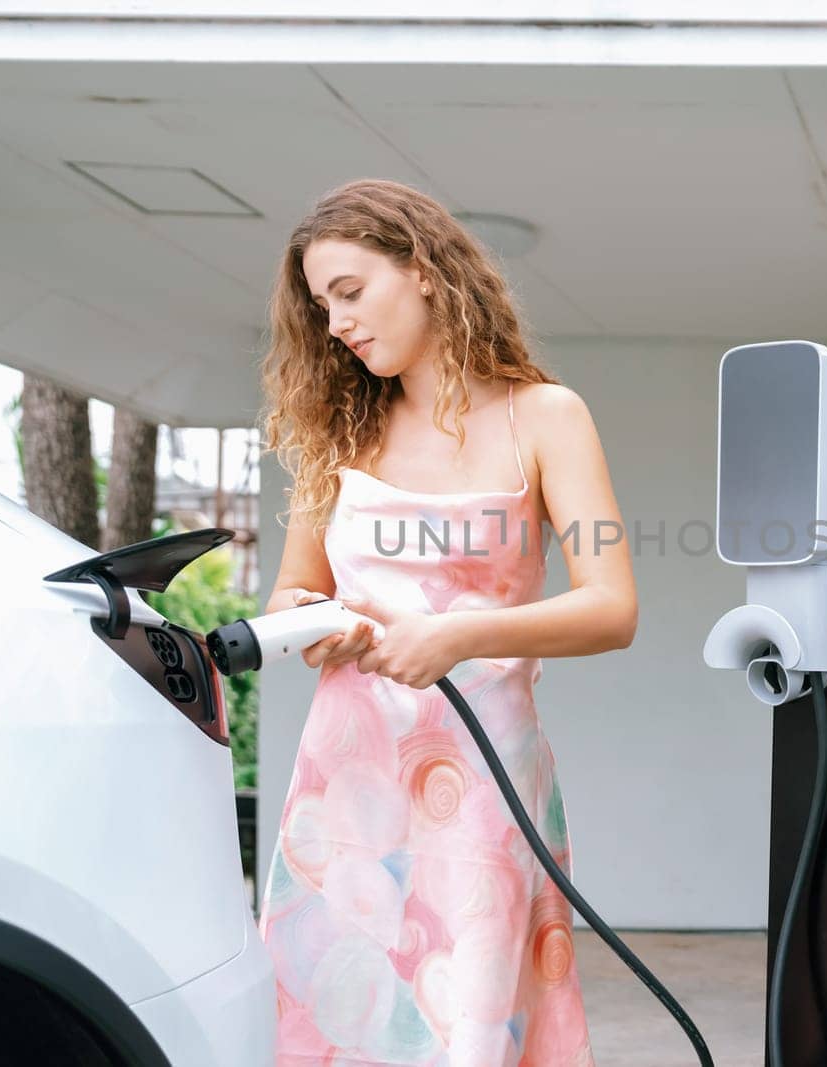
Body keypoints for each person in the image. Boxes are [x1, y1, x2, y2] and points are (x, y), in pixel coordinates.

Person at [256, 178, 636, 1066]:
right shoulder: (334, 432)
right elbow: (291, 597)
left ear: (423, 269)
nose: (338, 322)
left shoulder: (547, 417)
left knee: (470, 1029)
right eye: (321, 307)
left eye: (350, 291)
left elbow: (612, 606)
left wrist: (459, 635)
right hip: (347, 791)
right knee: (338, 1027)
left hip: (484, 786)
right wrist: (320, 625)